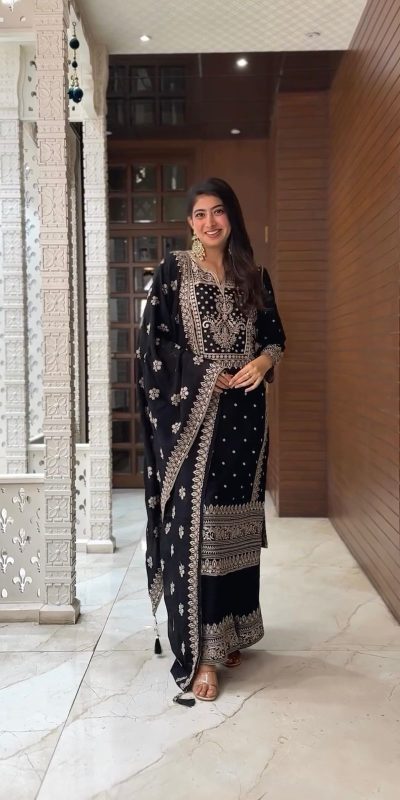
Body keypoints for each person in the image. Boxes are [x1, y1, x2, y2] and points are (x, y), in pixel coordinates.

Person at [137, 177, 285, 705]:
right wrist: (204, 374)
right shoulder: (173, 271)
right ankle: (202, 654)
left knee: (235, 528)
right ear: (190, 224)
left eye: (218, 211)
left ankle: (232, 631)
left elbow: (274, 337)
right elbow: (153, 346)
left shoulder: (254, 276)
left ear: (232, 217)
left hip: (246, 419)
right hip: (194, 422)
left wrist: (262, 362)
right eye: (199, 214)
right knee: (197, 532)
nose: (209, 222)